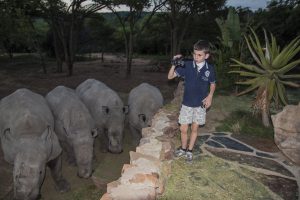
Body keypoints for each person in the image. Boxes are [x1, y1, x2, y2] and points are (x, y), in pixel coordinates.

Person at [167, 40, 216, 163]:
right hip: (187, 104)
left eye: (199, 55)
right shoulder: (187, 65)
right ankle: (183, 148)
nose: (196, 57)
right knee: (183, 129)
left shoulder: (209, 69)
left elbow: (213, 83)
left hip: (200, 105)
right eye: (194, 54)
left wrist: (210, 96)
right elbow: (170, 77)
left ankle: (189, 150)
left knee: (194, 129)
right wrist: (174, 64)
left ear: (206, 56)